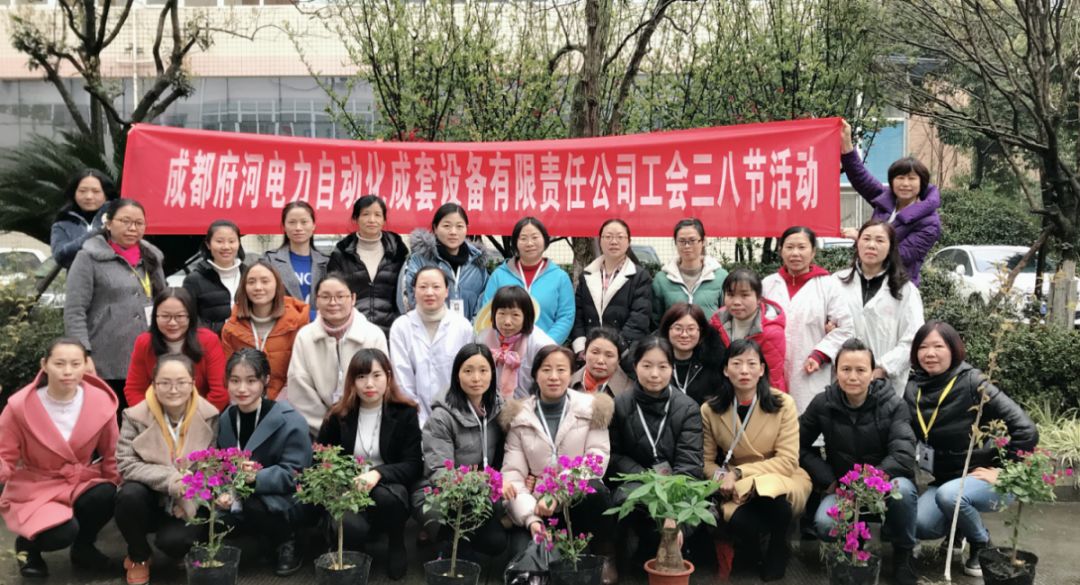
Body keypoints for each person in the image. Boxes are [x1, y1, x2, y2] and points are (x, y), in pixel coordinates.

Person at [905, 321, 1037, 578]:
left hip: (983, 478)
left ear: (953, 349)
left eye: (938, 346)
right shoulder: (913, 388)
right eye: (923, 347)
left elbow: (1026, 429)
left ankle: (981, 542)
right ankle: (959, 529)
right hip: (945, 480)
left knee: (950, 496)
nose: (930, 353)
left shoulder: (973, 382)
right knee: (919, 524)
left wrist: (1005, 471)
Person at [800, 339, 918, 585]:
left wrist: (867, 484)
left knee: (905, 492)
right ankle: (854, 543)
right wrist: (827, 478)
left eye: (861, 370)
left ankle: (903, 554)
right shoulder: (823, 404)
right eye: (846, 369)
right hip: (842, 488)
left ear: (872, 372)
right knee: (824, 524)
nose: (852, 377)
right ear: (836, 371)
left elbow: (903, 454)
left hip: (883, 485)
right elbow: (796, 445)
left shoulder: (894, 405)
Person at [0, 338, 120, 578]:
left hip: (81, 480)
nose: (67, 371)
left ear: (86, 365)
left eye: (75, 364)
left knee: (107, 493)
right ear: (44, 364)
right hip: (37, 484)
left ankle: (84, 548)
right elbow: (4, 454)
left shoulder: (100, 402)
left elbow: (112, 452)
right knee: (62, 533)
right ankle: (28, 546)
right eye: (59, 363)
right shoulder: (20, 407)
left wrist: (117, 487)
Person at [498, 346, 617, 584]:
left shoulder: (591, 408)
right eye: (546, 370)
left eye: (561, 370)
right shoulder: (520, 416)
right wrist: (531, 519)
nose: (554, 376)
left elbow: (596, 458)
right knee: (523, 559)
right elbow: (513, 475)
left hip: (576, 501)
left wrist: (557, 493)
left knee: (596, 491)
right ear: (535, 374)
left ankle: (604, 552)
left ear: (571, 373)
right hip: (537, 506)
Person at [702, 339, 811, 583]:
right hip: (735, 484)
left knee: (775, 500)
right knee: (740, 521)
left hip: (780, 476)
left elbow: (787, 460)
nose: (744, 371)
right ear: (725, 369)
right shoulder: (710, 409)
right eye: (737, 364)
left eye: (752, 364)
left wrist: (740, 472)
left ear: (762, 369)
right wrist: (722, 479)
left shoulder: (783, 404)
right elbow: (707, 462)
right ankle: (756, 546)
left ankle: (777, 547)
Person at [317, 348, 422, 581]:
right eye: (361, 376)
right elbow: (319, 459)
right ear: (352, 381)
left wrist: (377, 474)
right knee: (349, 525)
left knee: (389, 499)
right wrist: (340, 485)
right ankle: (357, 545)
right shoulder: (338, 415)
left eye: (376, 375)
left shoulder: (404, 413)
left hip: (388, 487)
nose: (369, 384)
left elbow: (413, 464)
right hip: (348, 488)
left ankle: (396, 541)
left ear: (388, 377)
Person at [115, 353, 220, 585]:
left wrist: (192, 497)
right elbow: (126, 463)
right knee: (128, 495)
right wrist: (171, 480)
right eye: (165, 383)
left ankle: (181, 549)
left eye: (181, 382)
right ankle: (139, 556)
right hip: (150, 498)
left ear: (193, 383)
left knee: (175, 542)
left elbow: (211, 468)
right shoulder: (134, 416)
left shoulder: (209, 416)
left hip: (186, 501)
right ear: (154, 384)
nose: (173, 390)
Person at [607, 336, 703, 562]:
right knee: (627, 501)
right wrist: (646, 477)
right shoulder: (620, 404)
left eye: (662, 367)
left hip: (676, 485)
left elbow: (689, 463)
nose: (654, 374)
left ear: (672, 368)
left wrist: (673, 512)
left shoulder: (687, 408)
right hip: (637, 480)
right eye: (647, 366)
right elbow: (614, 455)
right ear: (635, 366)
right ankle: (620, 554)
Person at [217, 349, 312, 577]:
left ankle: (289, 541)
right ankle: (262, 540)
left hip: (284, 497)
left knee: (253, 504)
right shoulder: (226, 418)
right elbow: (221, 465)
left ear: (265, 380)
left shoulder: (289, 420)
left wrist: (256, 477)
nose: (242, 389)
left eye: (251, 381)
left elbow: (296, 473)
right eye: (235, 381)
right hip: (240, 495)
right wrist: (223, 490)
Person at [65, 198, 166, 409]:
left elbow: (163, 304)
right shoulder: (88, 258)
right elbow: (75, 311)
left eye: (139, 223)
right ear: (109, 223)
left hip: (149, 355)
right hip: (105, 359)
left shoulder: (152, 258)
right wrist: (82, 354)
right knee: (109, 418)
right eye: (125, 221)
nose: (132, 228)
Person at [416, 344, 507, 560]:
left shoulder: (499, 409)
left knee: (496, 542)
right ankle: (447, 547)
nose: (476, 378)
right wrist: (484, 482)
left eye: (483, 370)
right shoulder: (442, 417)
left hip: (483, 491)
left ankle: (456, 544)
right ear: (457, 375)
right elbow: (439, 473)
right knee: (476, 538)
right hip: (442, 492)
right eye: (468, 371)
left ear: (492, 374)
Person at [762, 226, 854, 413]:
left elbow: (846, 329)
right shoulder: (768, 284)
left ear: (813, 252)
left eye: (802, 247)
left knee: (808, 418)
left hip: (810, 370)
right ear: (780, 250)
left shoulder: (828, 285)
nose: (795, 253)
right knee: (774, 419)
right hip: (771, 369)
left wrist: (819, 354)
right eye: (789, 247)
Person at [840, 120, 941, 285]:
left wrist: (862, 238)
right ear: (892, 181)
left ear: (922, 183)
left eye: (912, 179)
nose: (905, 184)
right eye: (900, 178)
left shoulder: (930, 222)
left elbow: (901, 256)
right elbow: (860, 177)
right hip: (865, 280)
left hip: (897, 287)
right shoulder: (885, 199)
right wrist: (847, 144)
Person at [287, 273, 389, 435]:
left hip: (366, 427)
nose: (333, 302)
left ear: (353, 298)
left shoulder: (373, 335)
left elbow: (381, 384)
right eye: (325, 297)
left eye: (340, 296)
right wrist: (328, 428)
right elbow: (299, 388)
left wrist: (355, 429)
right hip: (317, 430)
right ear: (316, 300)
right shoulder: (305, 337)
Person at [834, 220, 924, 395]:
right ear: (858, 243)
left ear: (890, 247)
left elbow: (913, 338)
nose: (871, 245)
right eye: (866, 238)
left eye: (880, 240)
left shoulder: (906, 291)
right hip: (842, 381)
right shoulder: (836, 283)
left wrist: (881, 369)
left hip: (884, 387)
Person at [389, 266, 475, 425]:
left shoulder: (462, 327)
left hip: (456, 416)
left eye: (436, 287)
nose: (429, 292)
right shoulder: (401, 327)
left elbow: (468, 375)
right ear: (414, 291)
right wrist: (416, 416)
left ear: (446, 291)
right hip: (413, 418)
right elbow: (402, 379)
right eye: (423, 287)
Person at [123, 288, 230, 411]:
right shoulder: (144, 343)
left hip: (201, 415)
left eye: (180, 316)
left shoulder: (208, 340)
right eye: (165, 316)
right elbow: (134, 390)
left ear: (190, 317)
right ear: (155, 317)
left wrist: (194, 418)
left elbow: (221, 392)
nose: (172, 323)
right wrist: (153, 418)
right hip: (155, 416)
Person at [220, 260, 310, 400]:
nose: (258, 287)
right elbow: (229, 375)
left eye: (265, 281)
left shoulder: (298, 324)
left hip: (289, 401)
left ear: (277, 285)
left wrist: (279, 404)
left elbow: (302, 372)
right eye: (251, 282)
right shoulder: (231, 328)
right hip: (245, 401)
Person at [482, 217, 575, 345]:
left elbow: (566, 316)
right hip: (505, 349)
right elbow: (487, 313)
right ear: (515, 242)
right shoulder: (499, 275)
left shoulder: (560, 277)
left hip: (546, 349)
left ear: (545, 240)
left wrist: (545, 344)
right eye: (523, 238)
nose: (529, 243)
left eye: (535, 237)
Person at [327, 195, 408, 335]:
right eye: (365, 214)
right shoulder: (342, 253)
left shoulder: (398, 252)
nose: (372, 220)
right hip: (352, 331)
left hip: (392, 331)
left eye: (377, 215)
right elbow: (332, 292)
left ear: (384, 220)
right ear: (356, 218)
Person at [570, 219, 653, 355]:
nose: (614, 242)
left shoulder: (640, 277)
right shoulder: (586, 275)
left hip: (625, 353)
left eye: (620, 237)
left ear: (629, 242)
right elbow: (578, 316)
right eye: (608, 237)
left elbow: (639, 319)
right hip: (590, 353)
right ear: (600, 241)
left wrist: (616, 350)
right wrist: (581, 349)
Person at [400, 203, 491, 322]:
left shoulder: (477, 264)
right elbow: (410, 298)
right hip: (428, 330)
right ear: (435, 228)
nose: (453, 232)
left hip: (469, 332)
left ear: (466, 229)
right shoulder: (419, 260)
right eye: (447, 226)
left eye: (459, 226)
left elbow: (484, 305)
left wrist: (470, 330)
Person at [708, 269, 787, 391]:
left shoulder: (771, 332)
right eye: (730, 295)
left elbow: (772, 378)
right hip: (723, 393)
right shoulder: (717, 322)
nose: (736, 302)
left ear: (759, 298)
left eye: (744, 295)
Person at [475, 285, 556, 400]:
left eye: (515, 315)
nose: (507, 322)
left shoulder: (540, 344)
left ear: (526, 316)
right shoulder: (482, 339)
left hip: (531, 405)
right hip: (490, 404)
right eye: (502, 314)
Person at [652, 218, 728, 324]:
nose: (687, 246)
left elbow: (727, 316)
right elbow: (656, 320)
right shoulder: (662, 279)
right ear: (675, 243)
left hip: (710, 334)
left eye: (692, 240)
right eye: (682, 241)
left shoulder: (721, 277)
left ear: (703, 241)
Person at [262, 201, 329, 319]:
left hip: (319, 326)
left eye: (304, 222)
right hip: (282, 325)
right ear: (284, 227)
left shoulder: (327, 262)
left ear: (313, 225)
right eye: (292, 222)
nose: (298, 228)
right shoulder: (269, 261)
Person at [183, 220, 248, 335]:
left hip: (248, 342)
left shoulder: (250, 276)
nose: (226, 247)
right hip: (211, 342)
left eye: (232, 241)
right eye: (219, 241)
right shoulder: (194, 280)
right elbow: (188, 317)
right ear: (208, 244)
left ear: (239, 243)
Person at [656, 303, 725, 405]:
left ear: (700, 331)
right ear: (667, 330)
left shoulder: (713, 364)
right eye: (678, 328)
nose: (684, 335)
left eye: (691, 329)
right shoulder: (655, 362)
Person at [50, 168, 118, 270]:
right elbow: (61, 256)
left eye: (96, 191)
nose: (89, 196)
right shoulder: (62, 223)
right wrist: (98, 232)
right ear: (74, 193)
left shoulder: (119, 217)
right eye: (82, 191)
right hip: (79, 278)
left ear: (106, 194)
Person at [569, 328, 632, 397]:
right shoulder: (567, 384)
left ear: (618, 360)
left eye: (609, 355)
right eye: (595, 352)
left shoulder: (629, 393)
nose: (600, 361)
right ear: (584, 354)